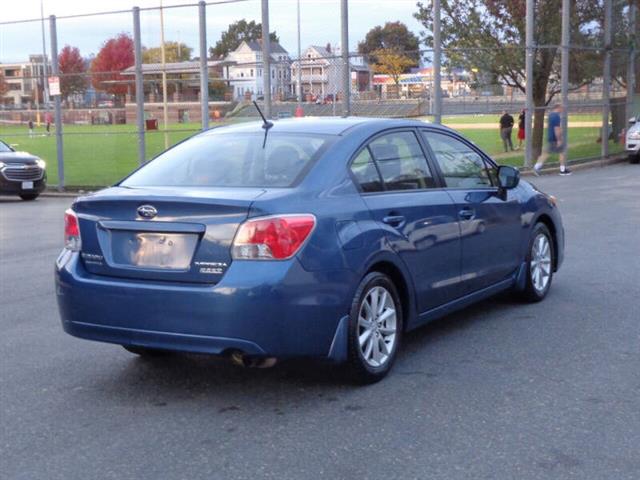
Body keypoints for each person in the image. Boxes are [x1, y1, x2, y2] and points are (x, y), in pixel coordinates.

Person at [534, 104, 572, 176]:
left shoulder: (551, 115)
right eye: (561, 108)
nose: (562, 109)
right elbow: (556, 128)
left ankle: (536, 167)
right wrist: (559, 139)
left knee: (546, 153)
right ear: (557, 108)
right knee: (562, 152)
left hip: (550, 137)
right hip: (555, 138)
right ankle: (562, 170)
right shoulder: (556, 116)